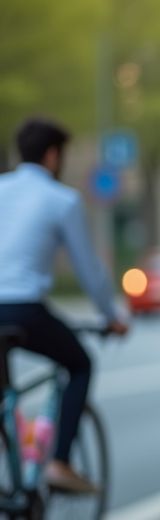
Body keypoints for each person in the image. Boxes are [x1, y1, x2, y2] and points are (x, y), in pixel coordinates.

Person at [0, 118, 128, 494]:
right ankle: (59, 462)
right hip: (24, 311)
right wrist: (112, 317)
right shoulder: (62, 200)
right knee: (80, 364)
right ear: (53, 155)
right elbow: (89, 272)